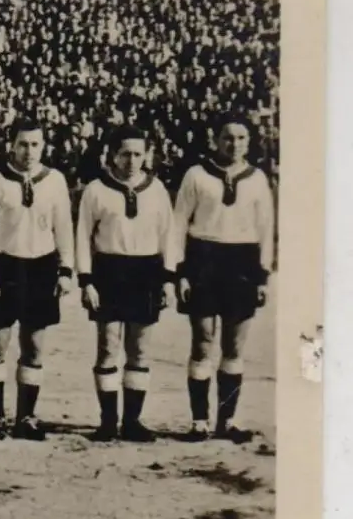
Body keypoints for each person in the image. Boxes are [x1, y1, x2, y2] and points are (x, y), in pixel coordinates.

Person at [173, 115, 275, 443]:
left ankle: (227, 421)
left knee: (233, 346)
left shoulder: (257, 178)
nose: (234, 144)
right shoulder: (196, 175)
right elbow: (178, 223)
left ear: (249, 142)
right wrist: (180, 272)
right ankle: (199, 421)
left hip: (242, 263)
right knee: (202, 342)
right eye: (228, 137)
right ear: (215, 139)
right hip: (204, 260)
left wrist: (262, 276)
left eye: (241, 138)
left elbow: (265, 228)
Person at [76, 125, 178, 443]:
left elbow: (168, 235)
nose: (131, 160)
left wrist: (168, 279)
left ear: (147, 155)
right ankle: (108, 421)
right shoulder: (96, 190)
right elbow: (82, 237)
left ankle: (132, 422)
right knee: (108, 347)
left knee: (139, 349)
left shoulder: (157, 189)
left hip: (146, 272)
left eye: (137, 154)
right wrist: (86, 280)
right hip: (109, 271)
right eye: (125, 154)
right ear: (112, 155)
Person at [0, 118, 74, 441]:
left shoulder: (55, 180)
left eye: (35, 145)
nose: (29, 151)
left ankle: (26, 417)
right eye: (22, 144)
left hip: (41, 268)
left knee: (34, 347)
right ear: (11, 145)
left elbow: (64, 227)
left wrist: (66, 269)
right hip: (4, 267)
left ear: (43, 147)